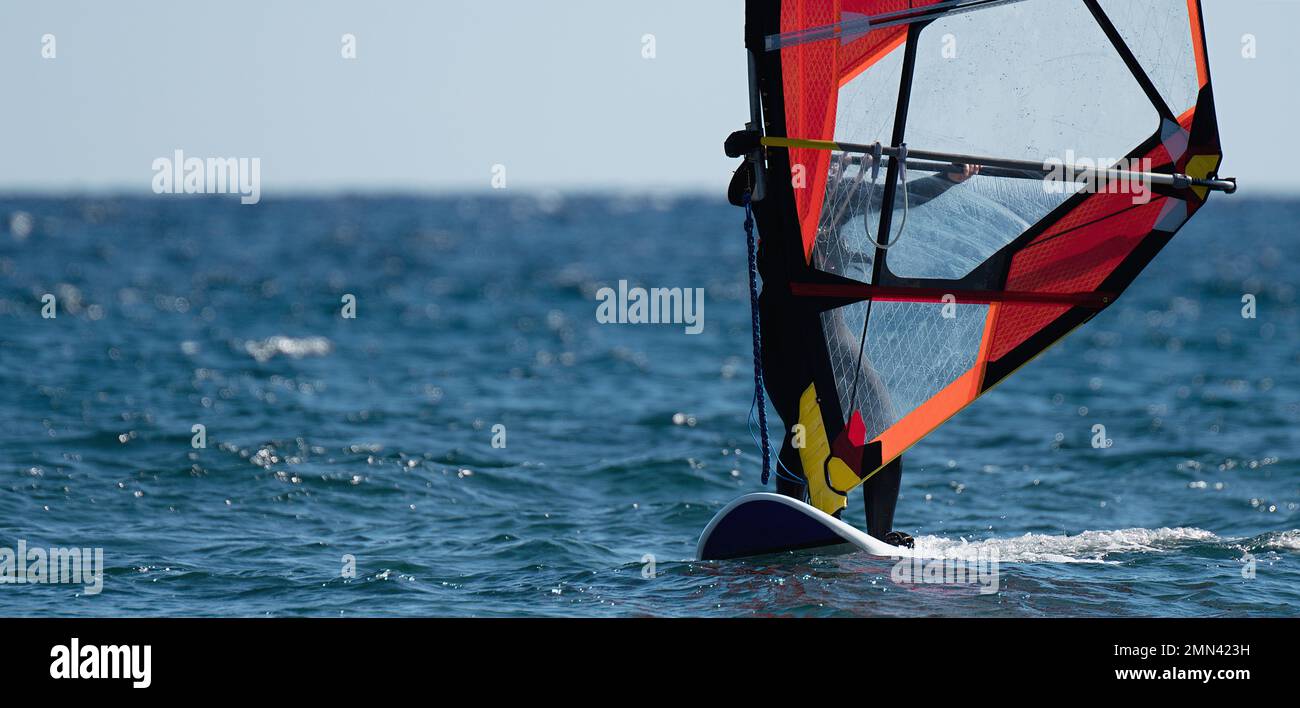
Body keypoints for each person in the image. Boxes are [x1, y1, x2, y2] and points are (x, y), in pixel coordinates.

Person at [757, 158, 979, 548]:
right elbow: (745, 191)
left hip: (832, 334)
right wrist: (755, 155)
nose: (835, 169)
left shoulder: (837, 196)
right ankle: (801, 522)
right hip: (786, 340)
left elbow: (892, 198)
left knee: (882, 421)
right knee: (803, 429)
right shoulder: (778, 193)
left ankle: (879, 534)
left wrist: (948, 177)